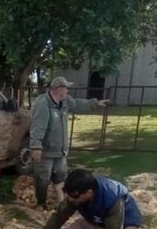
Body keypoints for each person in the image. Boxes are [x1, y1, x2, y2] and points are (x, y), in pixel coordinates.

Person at [29, 76, 108, 209]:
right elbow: (38, 127)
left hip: (61, 151)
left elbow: (78, 103)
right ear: (59, 89)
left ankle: (63, 205)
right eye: (66, 88)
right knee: (42, 179)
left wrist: (95, 103)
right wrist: (36, 146)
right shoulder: (43, 104)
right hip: (46, 152)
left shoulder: (65, 101)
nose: (67, 90)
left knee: (60, 178)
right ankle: (41, 203)